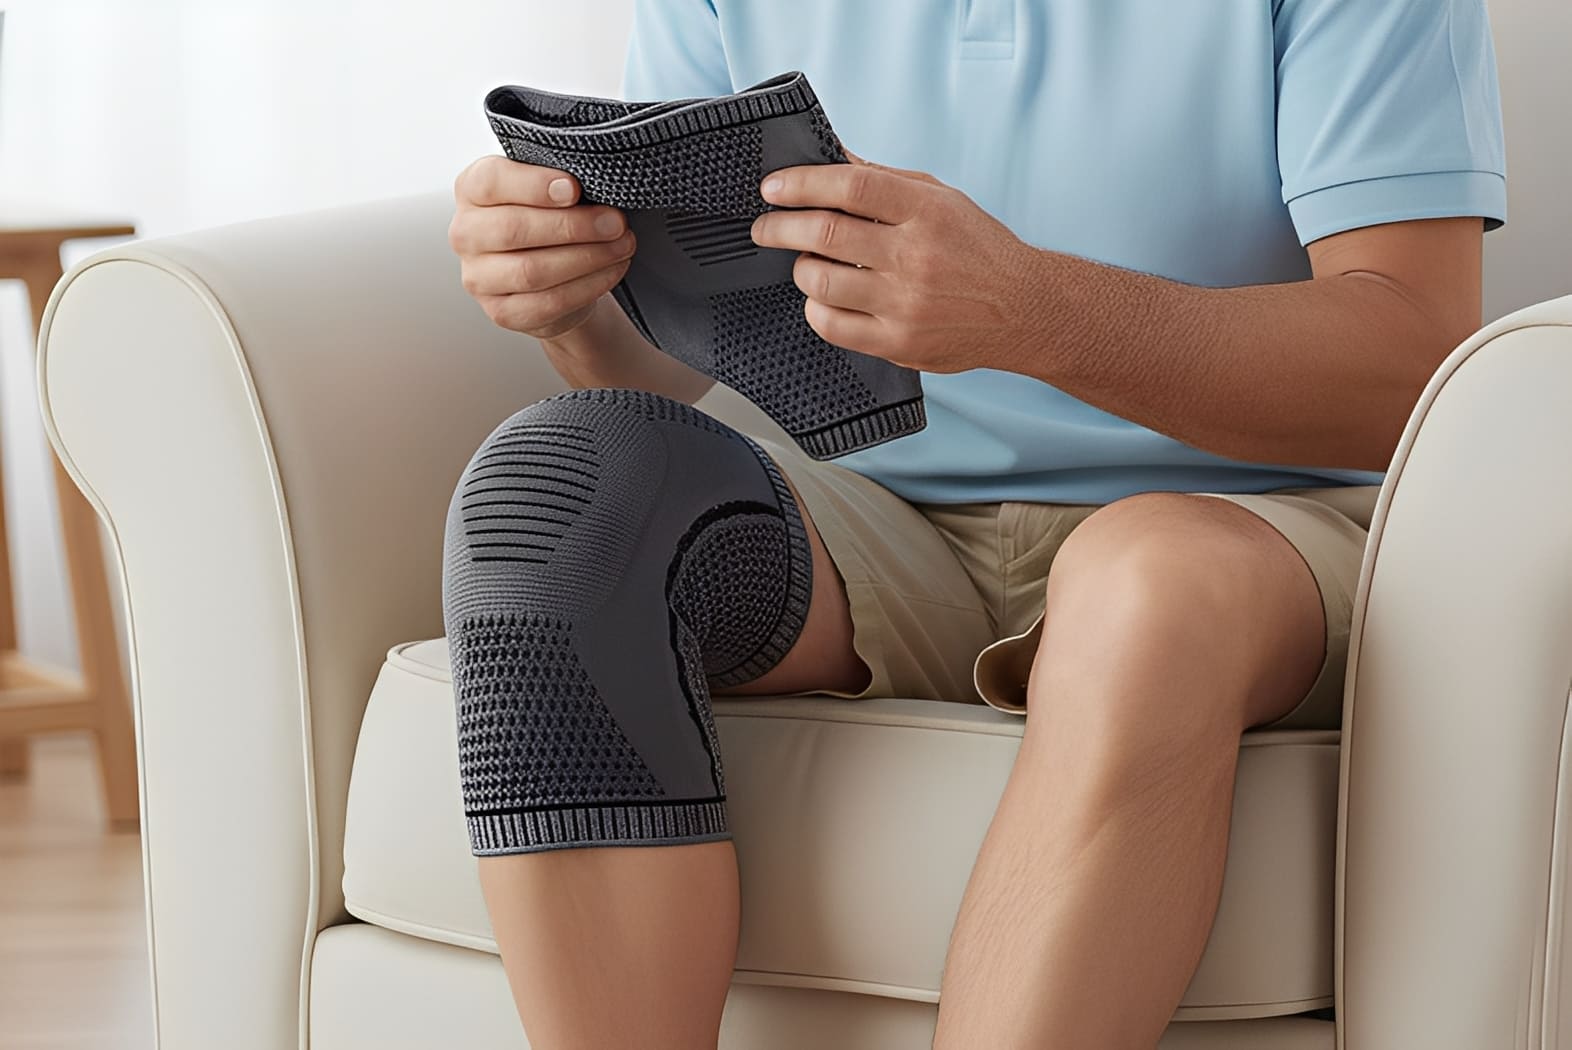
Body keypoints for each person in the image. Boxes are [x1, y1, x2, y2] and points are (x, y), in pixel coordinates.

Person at [444, 1, 1506, 1046]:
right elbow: (668, 354)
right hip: (884, 521)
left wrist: (1033, 310)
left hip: (1257, 521)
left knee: (1147, 590)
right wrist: (575, 299)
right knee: (556, 494)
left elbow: (1412, 360)